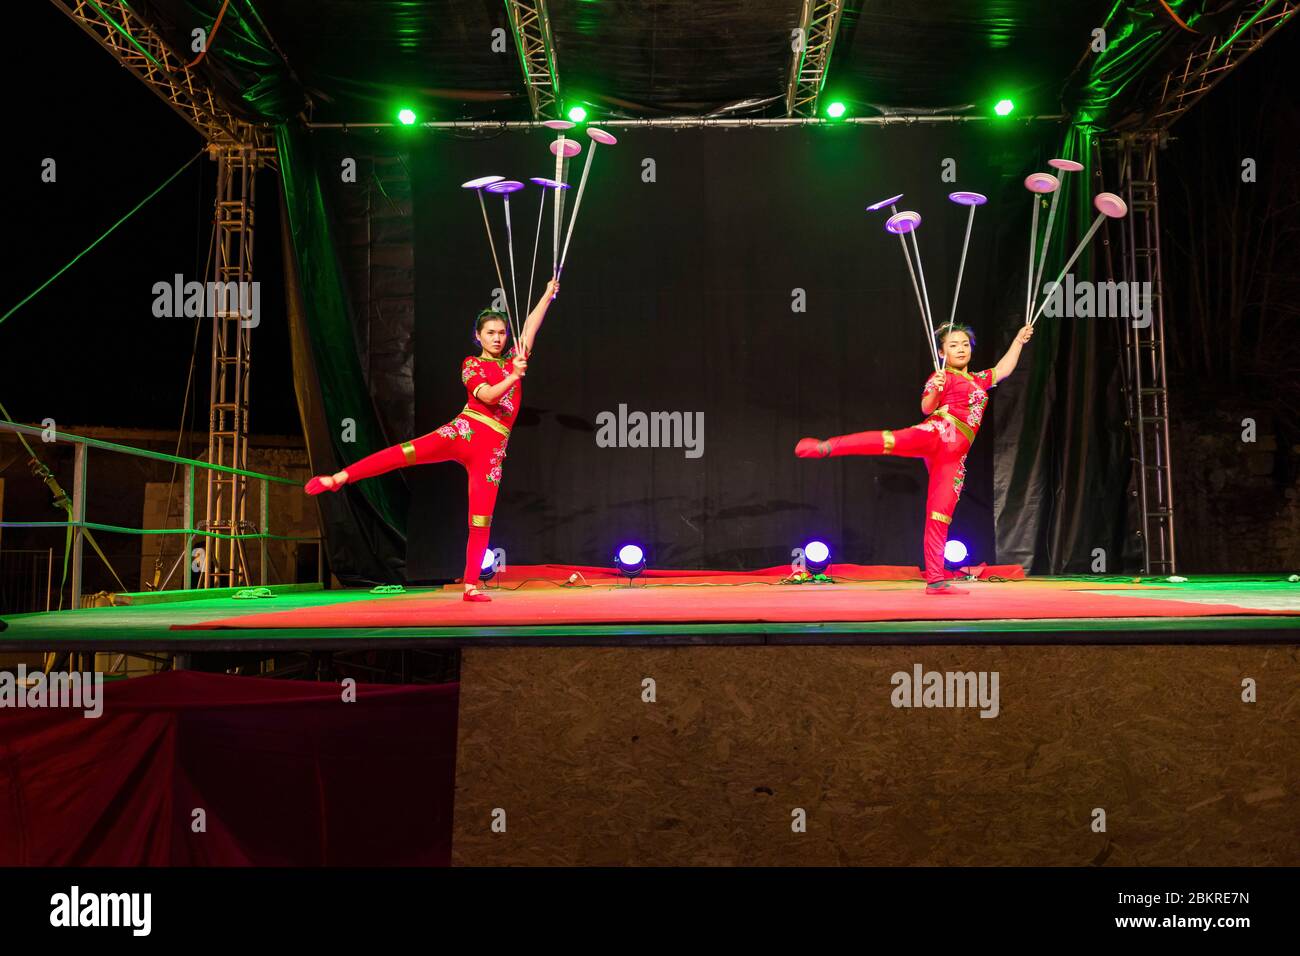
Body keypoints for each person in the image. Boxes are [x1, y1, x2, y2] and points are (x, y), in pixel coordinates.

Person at [305, 279, 559, 601]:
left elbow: (529, 328)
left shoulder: (513, 358)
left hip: (491, 451)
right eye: (490, 333)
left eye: (501, 333)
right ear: (477, 336)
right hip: (463, 433)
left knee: (480, 519)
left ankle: (470, 586)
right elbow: (491, 398)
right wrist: (513, 376)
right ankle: (339, 477)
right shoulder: (472, 365)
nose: (497, 338)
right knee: (403, 453)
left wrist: (548, 295)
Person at [795, 322, 1034, 594]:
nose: (961, 349)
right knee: (888, 440)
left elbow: (1003, 369)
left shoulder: (979, 380)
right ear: (942, 351)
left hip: (954, 457)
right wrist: (936, 389)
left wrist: (1018, 340)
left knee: (939, 515)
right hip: (938, 433)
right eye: (953, 345)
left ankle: (935, 580)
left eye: (965, 344)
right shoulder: (941, 376)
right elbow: (926, 407)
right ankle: (826, 447)